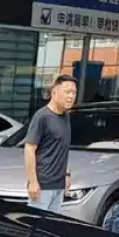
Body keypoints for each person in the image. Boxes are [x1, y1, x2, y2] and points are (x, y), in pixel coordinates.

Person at [25, 75, 77, 213]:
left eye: (74, 93)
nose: (71, 96)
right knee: (37, 223)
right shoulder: (42, 116)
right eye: (67, 92)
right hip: (42, 186)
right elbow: (29, 149)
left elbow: (61, 147)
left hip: (59, 186)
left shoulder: (66, 116)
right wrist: (32, 182)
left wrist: (66, 174)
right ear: (54, 92)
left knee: (52, 224)